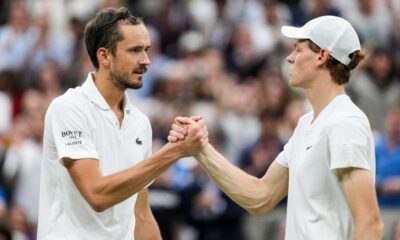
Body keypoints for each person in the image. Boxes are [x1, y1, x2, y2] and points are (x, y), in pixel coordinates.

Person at [169, 16, 384, 239]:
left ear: (322, 56)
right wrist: (201, 150)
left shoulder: (344, 122)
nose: (290, 58)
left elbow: (370, 224)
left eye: (298, 50)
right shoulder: (306, 123)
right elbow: (261, 197)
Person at [37, 7, 208, 240]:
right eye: (135, 50)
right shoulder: (68, 108)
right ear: (104, 56)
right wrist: (174, 151)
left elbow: (141, 213)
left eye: (146, 50)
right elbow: (97, 195)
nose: (146, 60)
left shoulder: (140, 123)